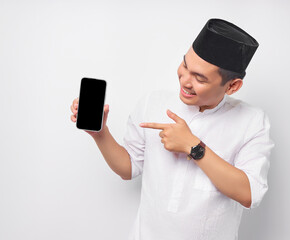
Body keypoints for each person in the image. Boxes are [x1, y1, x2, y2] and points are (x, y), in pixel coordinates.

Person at [70, 18, 275, 240]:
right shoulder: (153, 102)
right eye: (185, 65)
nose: (185, 81)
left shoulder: (252, 122)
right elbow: (128, 168)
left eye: (200, 78)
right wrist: (100, 134)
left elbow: (249, 193)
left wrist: (193, 146)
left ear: (232, 86)